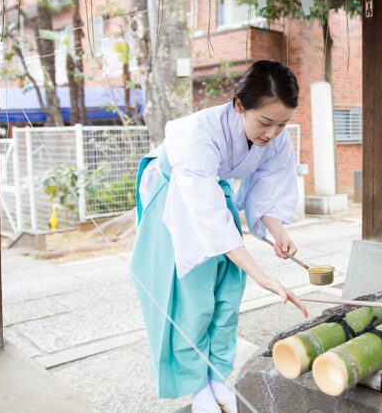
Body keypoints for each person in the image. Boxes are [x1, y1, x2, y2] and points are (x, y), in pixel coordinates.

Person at [130, 60, 308, 413]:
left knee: (228, 292)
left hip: (214, 192)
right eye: (265, 122)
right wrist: (263, 276)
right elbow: (208, 217)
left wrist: (279, 233)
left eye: (282, 123)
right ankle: (196, 387)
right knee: (192, 297)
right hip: (177, 195)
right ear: (240, 105)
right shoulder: (200, 134)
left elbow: (268, 191)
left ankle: (215, 377)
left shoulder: (274, 137)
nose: (272, 133)